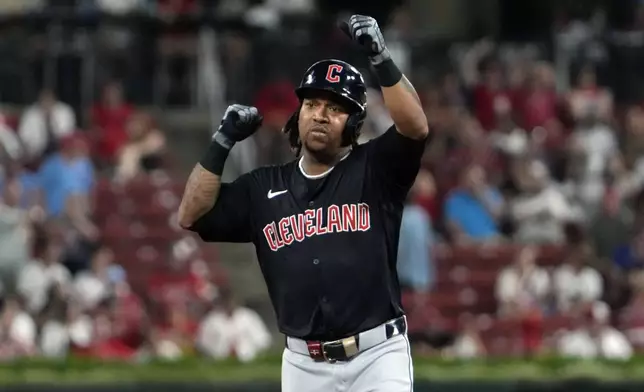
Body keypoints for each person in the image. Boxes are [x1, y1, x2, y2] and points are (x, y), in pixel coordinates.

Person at [178, 14, 428, 392]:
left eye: (335, 107)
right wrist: (222, 141)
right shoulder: (263, 188)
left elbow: (415, 127)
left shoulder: (375, 170)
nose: (321, 115)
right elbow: (190, 215)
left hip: (378, 355)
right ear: (299, 113)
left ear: (354, 123)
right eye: (312, 104)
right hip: (303, 364)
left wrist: (380, 57)